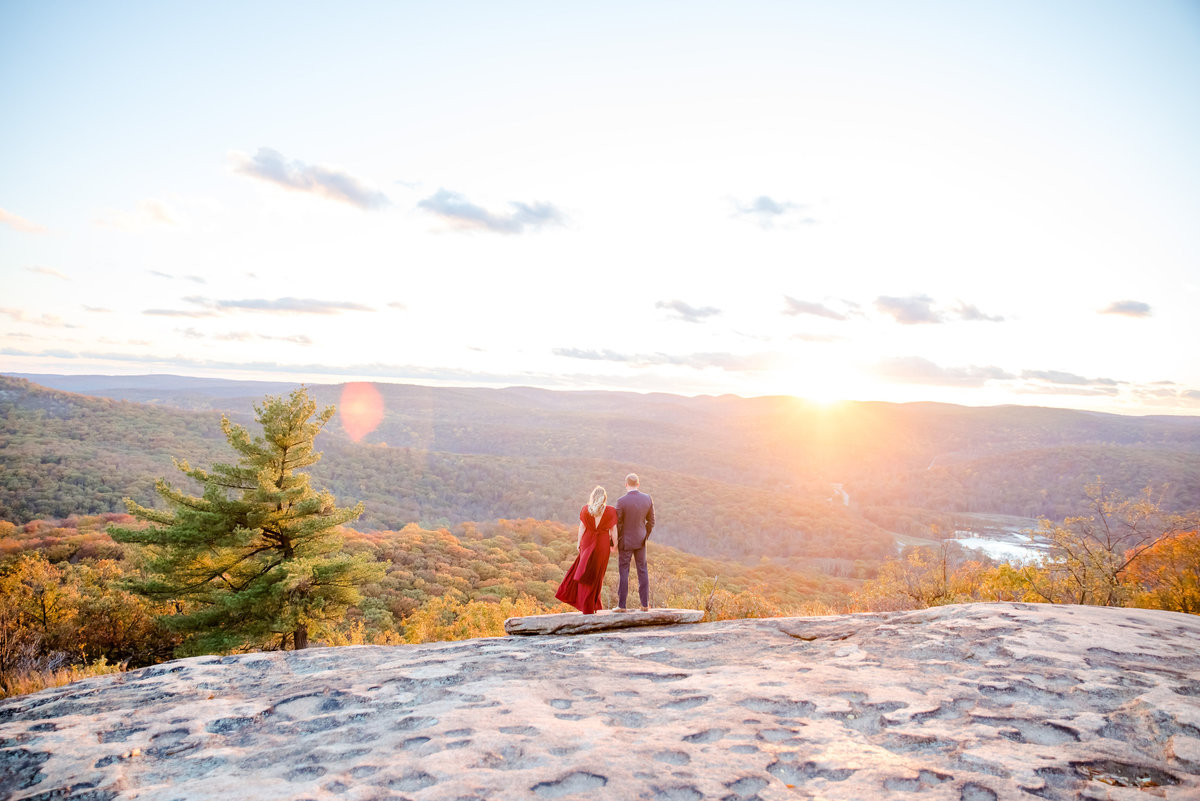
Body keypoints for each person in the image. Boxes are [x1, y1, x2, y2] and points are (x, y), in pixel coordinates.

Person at [555, 486, 616, 615]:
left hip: (587, 542)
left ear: (593, 497)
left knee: (584, 572)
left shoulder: (585, 509)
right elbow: (613, 530)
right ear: (604, 497)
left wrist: (578, 543)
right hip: (602, 545)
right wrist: (614, 545)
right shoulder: (610, 511)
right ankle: (592, 605)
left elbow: (582, 528)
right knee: (597, 575)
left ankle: (587, 606)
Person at [615, 473, 655, 612]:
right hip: (641, 540)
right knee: (642, 570)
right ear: (638, 484)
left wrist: (616, 541)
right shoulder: (647, 499)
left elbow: (618, 524)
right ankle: (644, 604)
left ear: (626, 484)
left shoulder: (621, 501)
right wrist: (645, 535)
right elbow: (651, 521)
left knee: (624, 572)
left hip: (625, 541)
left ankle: (622, 606)